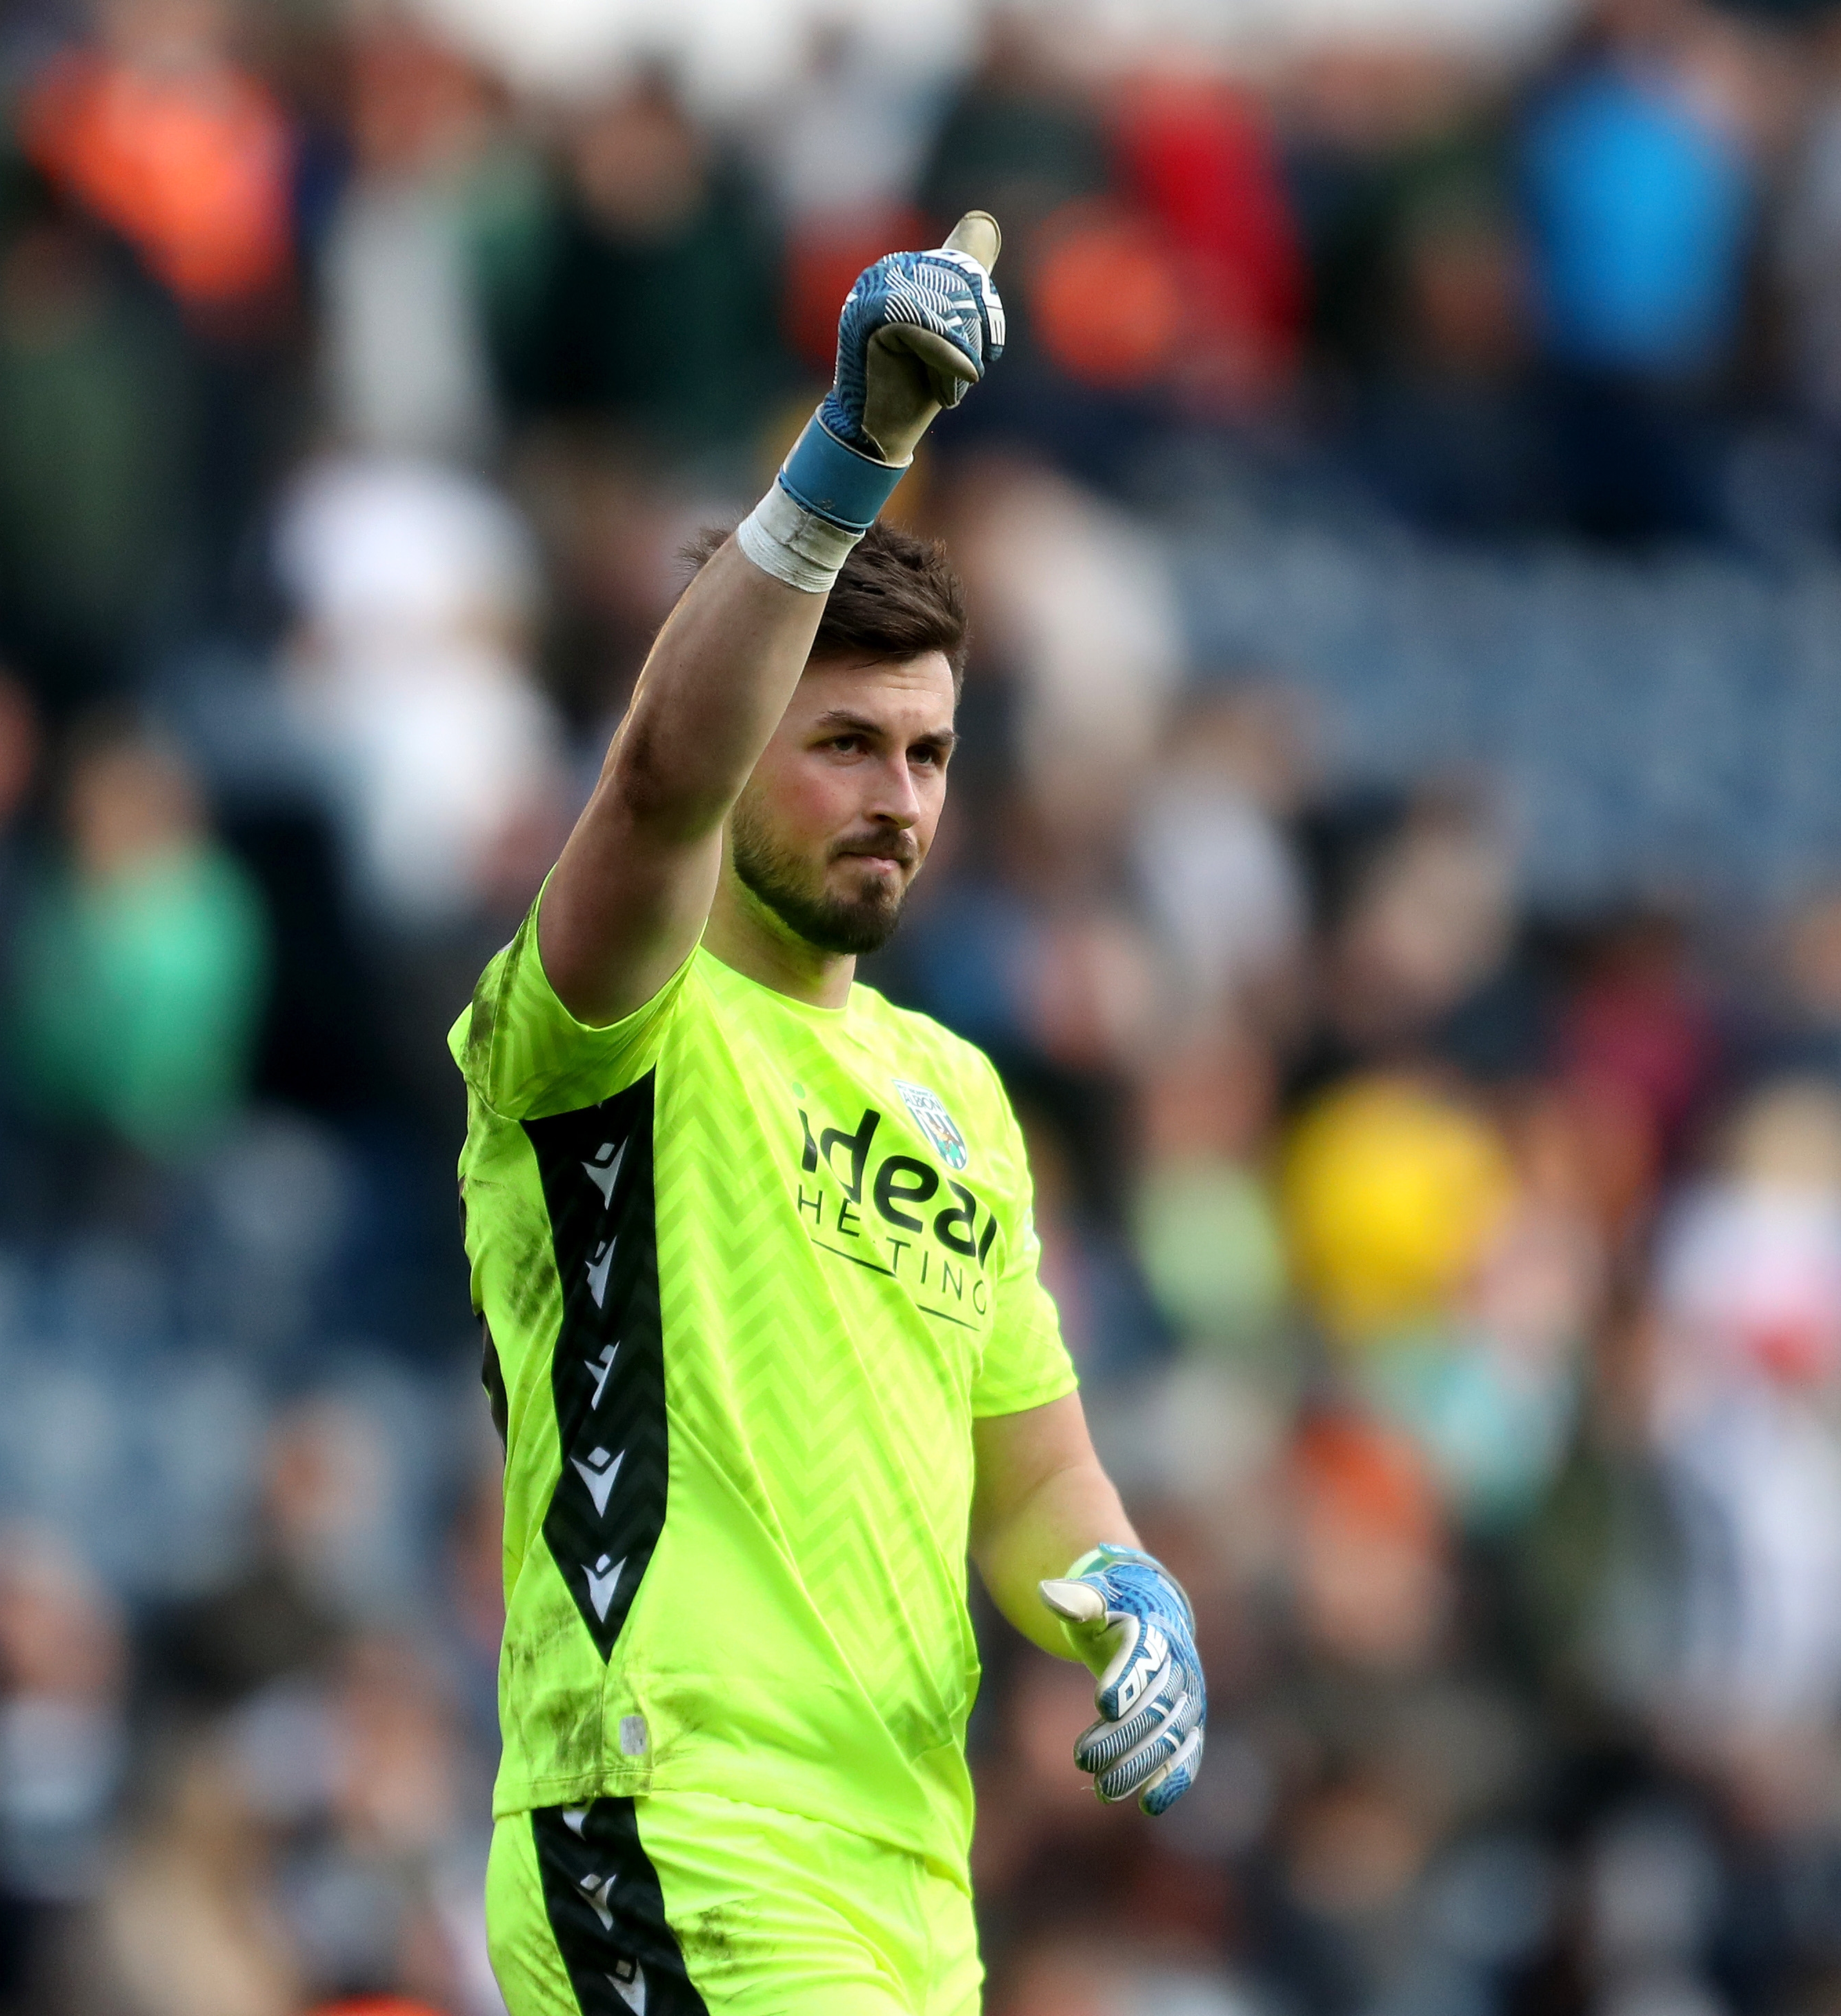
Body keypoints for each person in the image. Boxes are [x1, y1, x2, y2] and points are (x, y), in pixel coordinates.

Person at [451, 214, 1206, 2015]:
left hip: (902, 1883)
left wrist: (1119, 1589)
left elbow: (1025, 1473)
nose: (898, 797)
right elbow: (650, 783)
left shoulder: (955, 1093)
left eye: (928, 753)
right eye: (843, 744)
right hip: (672, 1821)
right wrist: (848, 458)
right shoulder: (607, 1024)